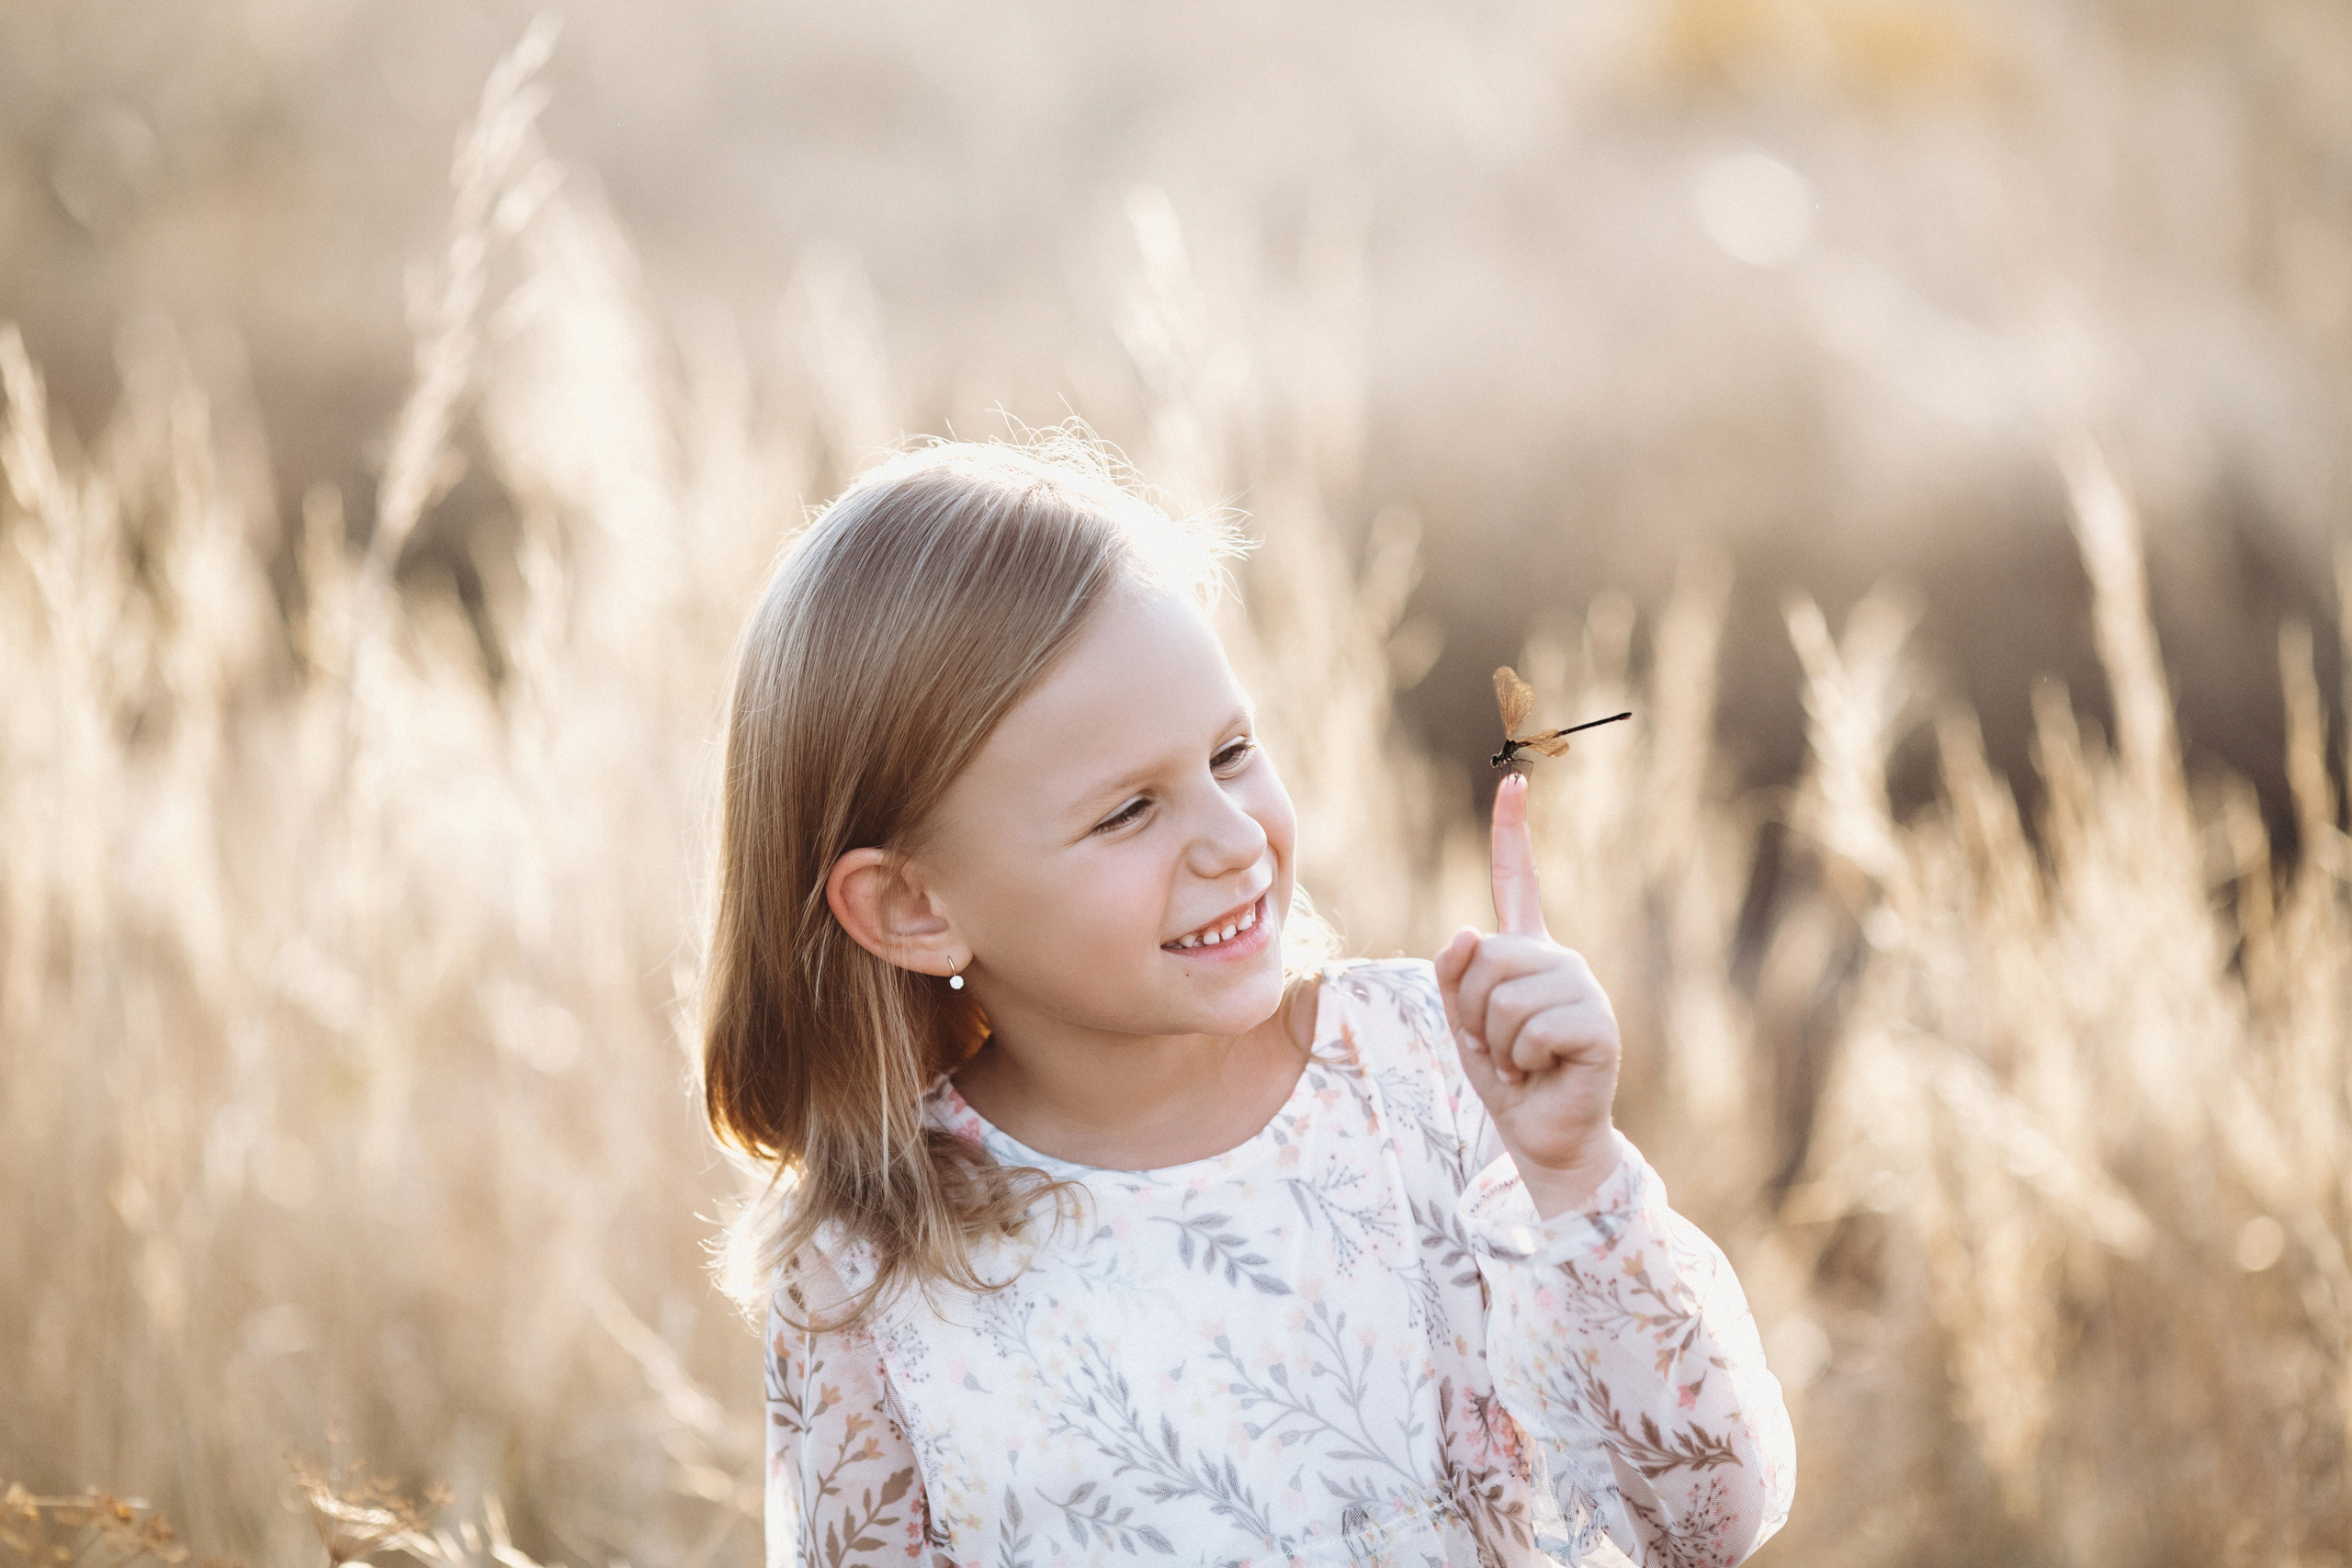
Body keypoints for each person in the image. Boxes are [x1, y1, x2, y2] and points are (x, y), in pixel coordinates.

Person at [699, 439, 1795, 1567]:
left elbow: (1704, 1520)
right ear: (913, 907)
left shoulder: (1435, 1077)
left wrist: (1574, 1180)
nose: (1232, 838)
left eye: (1230, 753)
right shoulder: (863, 1274)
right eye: (1127, 812)